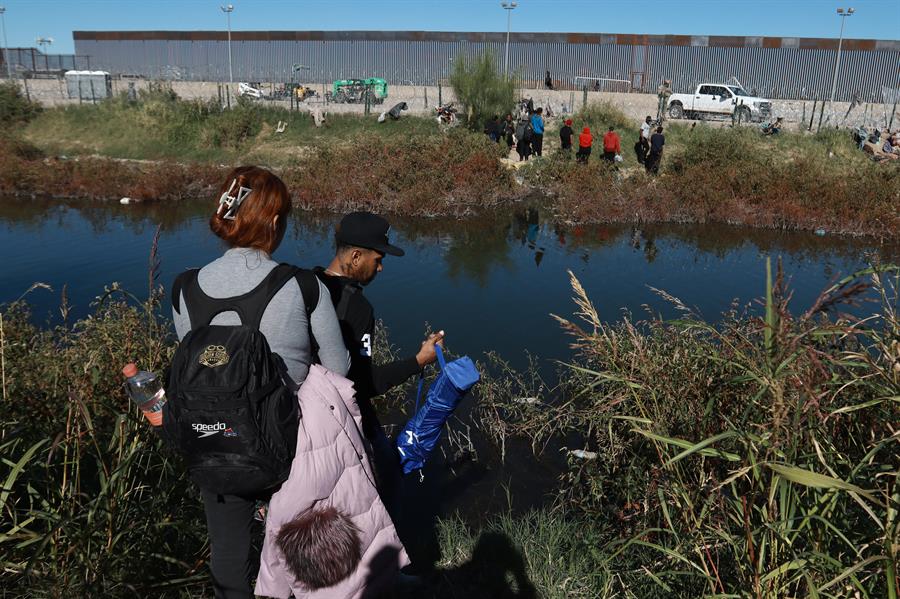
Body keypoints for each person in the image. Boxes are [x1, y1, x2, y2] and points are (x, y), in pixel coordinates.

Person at [172, 166, 351, 599]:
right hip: (287, 449)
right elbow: (339, 369)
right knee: (310, 562)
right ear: (273, 222)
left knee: (229, 566)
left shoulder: (183, 287)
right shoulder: (303, 286)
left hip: (213, 445)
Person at [314, 212, 445, 511]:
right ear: (357, 256)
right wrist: (418, 360)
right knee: (387, 478)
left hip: (300, 420)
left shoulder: (305, 285)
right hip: (340, 421)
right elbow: (364, 384)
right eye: (378, 258)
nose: (381, 267)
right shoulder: (358, 307)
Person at [256, 364, 409, 599]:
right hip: (311, 418)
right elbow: (339, 362)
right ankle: (383, 580)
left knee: (290, 526)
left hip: (249, 438)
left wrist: (272, 587)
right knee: (351, 510)